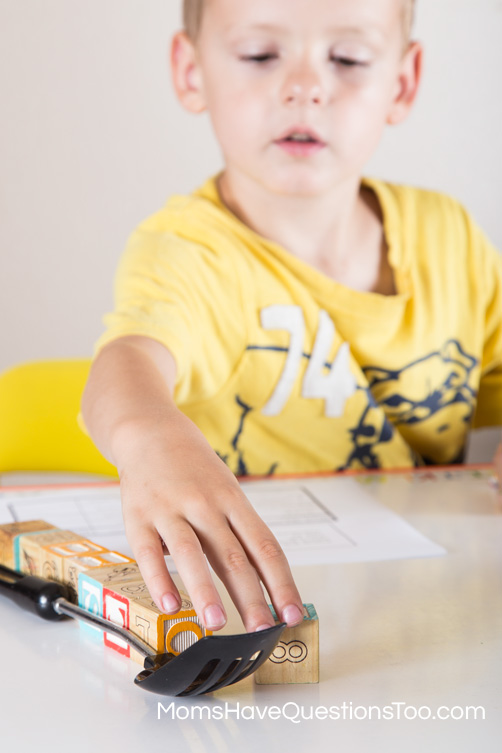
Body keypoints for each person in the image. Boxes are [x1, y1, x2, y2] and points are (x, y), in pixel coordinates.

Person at [81, 0, 502, 634]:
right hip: (263, 609)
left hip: (434, 605)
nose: (304, 88)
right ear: (192, 71)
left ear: (403, 82)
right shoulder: (189, 252)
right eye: (260, 55)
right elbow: (127, 363)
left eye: (348, 58)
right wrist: (148, 434)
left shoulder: (450, 236)